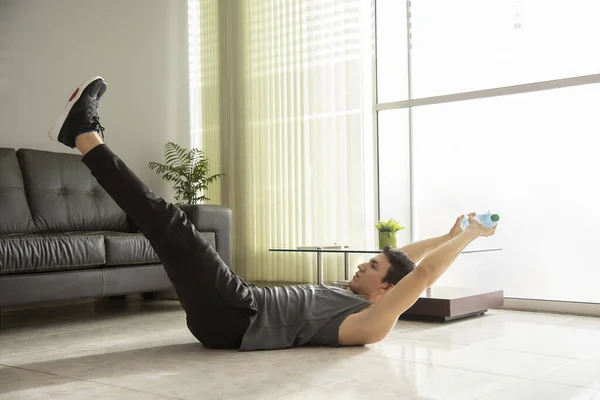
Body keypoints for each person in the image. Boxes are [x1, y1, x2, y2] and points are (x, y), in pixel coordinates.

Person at [48, 77, 498, 351]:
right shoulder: (360, 293)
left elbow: (418, 278)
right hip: (231, 310)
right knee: (164, 228)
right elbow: (404, 261)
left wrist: (471, 236)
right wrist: (446, 233)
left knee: (169, 222)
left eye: (373, 267)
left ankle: (85, 135)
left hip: (236, 317)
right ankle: (84, 136)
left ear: (384, 289)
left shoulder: (372, 324)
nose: (364, 262)